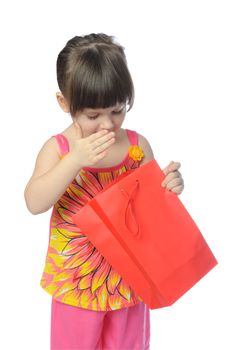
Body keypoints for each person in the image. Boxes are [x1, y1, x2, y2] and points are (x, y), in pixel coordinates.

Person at [24, 33, 184, 350]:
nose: (108, 125)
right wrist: (75, 161)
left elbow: (151, 210)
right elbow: (34, 201)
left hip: (129, 279)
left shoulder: (137, 146)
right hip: (76, 280)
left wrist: (170, 187)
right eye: (93, 115)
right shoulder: (60, 149)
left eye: (117, 110)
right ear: (65, 103)